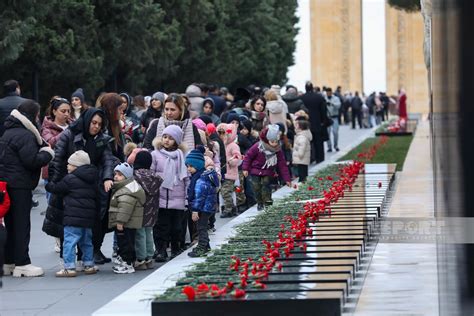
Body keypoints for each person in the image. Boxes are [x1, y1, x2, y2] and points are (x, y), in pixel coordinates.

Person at [44, 108, 116, 265]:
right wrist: (56, 182)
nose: (96, 126)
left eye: (99, 124)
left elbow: (107, 159)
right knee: (67, 218)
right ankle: (68, 255)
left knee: (92, 219)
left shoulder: (102, 138)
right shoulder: (69, 134)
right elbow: (58, 158)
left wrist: (107, 177)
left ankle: (90, 253)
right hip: (69, 181)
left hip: (91, 182)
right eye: (93, 122)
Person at [0, 100, 55, 277]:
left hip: (6, 184)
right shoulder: (25, 135)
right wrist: (47, 153)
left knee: (10, 224)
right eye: (37, 115)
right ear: (31, 116)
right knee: (22, 224)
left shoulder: (7, 132)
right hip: (20, 185)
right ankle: (22, 263)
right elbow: (32, 160)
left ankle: (9, 261)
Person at [45, 150, 99, 277]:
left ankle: (69, 267)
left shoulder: (70, 179)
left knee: (70, 241)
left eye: (69, 164)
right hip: (88, 218)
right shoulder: (93, 178)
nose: (67, 166)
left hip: (73, 218)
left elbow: (56, 189)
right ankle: (89, 265)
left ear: (76, 166)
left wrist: (49, 182)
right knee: (87, 241)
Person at [150, 125, 189, 262]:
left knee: (177, 227)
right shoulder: (155, 155)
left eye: (171, 138)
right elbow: (152, 174)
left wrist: (186, 198)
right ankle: (160, 250)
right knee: (160, 226)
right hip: (160, 198)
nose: (167, 140)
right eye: (165, 137)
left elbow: (186, 178)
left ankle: (176, 248)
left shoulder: (181, 157)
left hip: (177, 197)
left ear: (177, 141)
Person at [242, 124, 291, 211]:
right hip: (255, 170)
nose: (274, 143)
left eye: (276, 141)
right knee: (256, 187)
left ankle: (268, 203)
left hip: (268, 171)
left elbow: (282, 164)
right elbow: (248, 156)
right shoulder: (258, 146)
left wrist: (287, 179)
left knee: (266, 186)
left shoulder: (277, 150)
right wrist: (245, 168)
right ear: (267, 140)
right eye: (272, 141)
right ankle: (260, 202)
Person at [108, 163, 146, 274]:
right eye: (115, 174)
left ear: (127, 176)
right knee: (126, 242)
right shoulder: (126, 188)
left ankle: (127, 264)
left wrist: (120, 222)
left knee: (125, 243)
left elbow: (125, 208)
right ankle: (126, 261)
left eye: (119, 175)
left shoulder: (127, 191)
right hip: (128, 223)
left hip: (126, 223)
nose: (115, 177)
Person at [129, 151, 162, 270]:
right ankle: (149, 257)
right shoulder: (154, 177)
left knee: (139, 234)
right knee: (149, 232)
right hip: (151, 210)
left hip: (139, 210)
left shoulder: (135, 176)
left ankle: (141, 259)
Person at [185, 147, 220, 257]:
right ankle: (206, 245)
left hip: (203, 208)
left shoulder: (200, 179)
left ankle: (202, 246)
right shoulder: (199, 176)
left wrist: (195, 210)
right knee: (202, 226)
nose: (188, 169)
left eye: (191, 166)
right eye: (187, 166)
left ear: (198, 165)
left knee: (201, 227)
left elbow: (199, 197)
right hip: (206, 206)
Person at [41, 97, 72, 201]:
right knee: (53, 206)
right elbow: (50, 142)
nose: (66, 114)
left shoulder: (73, 125)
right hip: (53, 172)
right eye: (63, 111)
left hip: (71, 170)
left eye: (68, 111)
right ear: (54, 111)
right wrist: (67, 131)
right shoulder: (46, 127)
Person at [217, 123, 242, 218]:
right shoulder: (220, 145)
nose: (221, 135)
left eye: (223, 133)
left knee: (225, 191)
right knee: (224, 191)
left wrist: (231, 161)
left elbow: (238, 157)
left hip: (230, 173)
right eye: (219, 133)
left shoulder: (233, 145)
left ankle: (229, 209)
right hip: (222, 173)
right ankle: (231, 208)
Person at [300, 81, 327, 163]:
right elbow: (323, 111)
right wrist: (323, 121)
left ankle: (310, 158)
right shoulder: (319, 97)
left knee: (307, 142)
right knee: (318, 142)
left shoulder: (302, 98)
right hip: (317, 122)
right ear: (312, 87)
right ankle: (320, 158)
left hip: (305, 123)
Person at [325, 88, 342, 152]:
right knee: (327, 133)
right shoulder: (324, 98)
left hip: (335, 117)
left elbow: (338, 106)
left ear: (331, 92)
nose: (328, 94)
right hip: (327, 118)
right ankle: (329, 147)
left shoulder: (336, 98)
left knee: (335, 132)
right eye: (327, 93)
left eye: (329, 92)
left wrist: (331, 103)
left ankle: (336, 146)